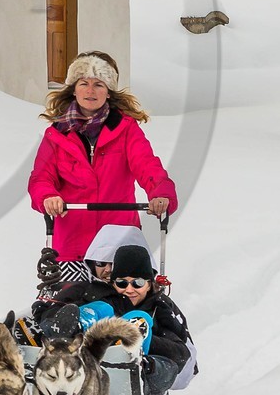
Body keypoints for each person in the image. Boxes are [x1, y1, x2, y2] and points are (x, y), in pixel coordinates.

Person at [28, 51, 177, 284]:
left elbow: (147, 165)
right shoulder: (56, 135)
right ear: (74, 89)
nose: (90, 90)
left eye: (98, 84)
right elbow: (40, 179)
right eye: (84, 83)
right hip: (72, 242)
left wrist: (160, 192)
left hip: (118, 240)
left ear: (108, 92)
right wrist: (48, 196)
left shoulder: (126, 130)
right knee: (71, 305)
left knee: (124, 303)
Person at [109, 240, 196, 395]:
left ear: (149, 283)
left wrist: (146, 340)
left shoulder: (159, 308)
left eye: (138, 283)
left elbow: (181, 353)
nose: (129, 289)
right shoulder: (106, 302)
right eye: (121, 283)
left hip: (149, 377)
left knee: (164, 365)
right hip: (107, 377)